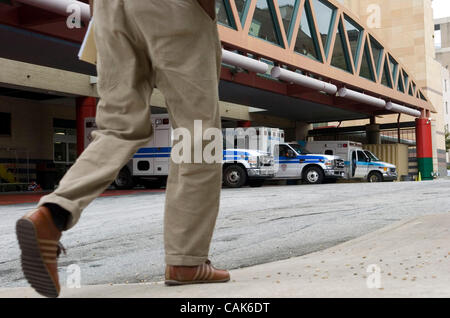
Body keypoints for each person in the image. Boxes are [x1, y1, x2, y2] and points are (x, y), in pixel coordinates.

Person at [15, 0, 229, 298]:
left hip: (109, 8)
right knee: (197, 135)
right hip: (176, 9)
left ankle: (53, 213)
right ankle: (187, 262)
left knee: (118, 127)